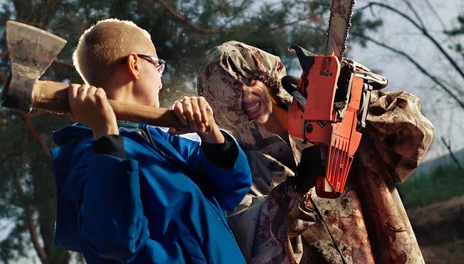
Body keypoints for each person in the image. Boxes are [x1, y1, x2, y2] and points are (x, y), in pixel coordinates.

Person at [197, 41, 434, 264]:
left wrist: (360, 104)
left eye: (249, 82)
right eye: (232, 95)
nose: (247, 96)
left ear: (264, 76)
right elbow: (256, 242)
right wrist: (295, 190)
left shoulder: (332, 114)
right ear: (222, 108)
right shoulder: (242, 172)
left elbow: (414, 138)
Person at [50, 20, 253, 264]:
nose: (160, 82)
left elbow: (233, 187)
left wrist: (210, 133)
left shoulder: (164, 142)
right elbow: (113, 241)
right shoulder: (92, 153)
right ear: (135, 64)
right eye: (157, 67)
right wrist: (105, 136)